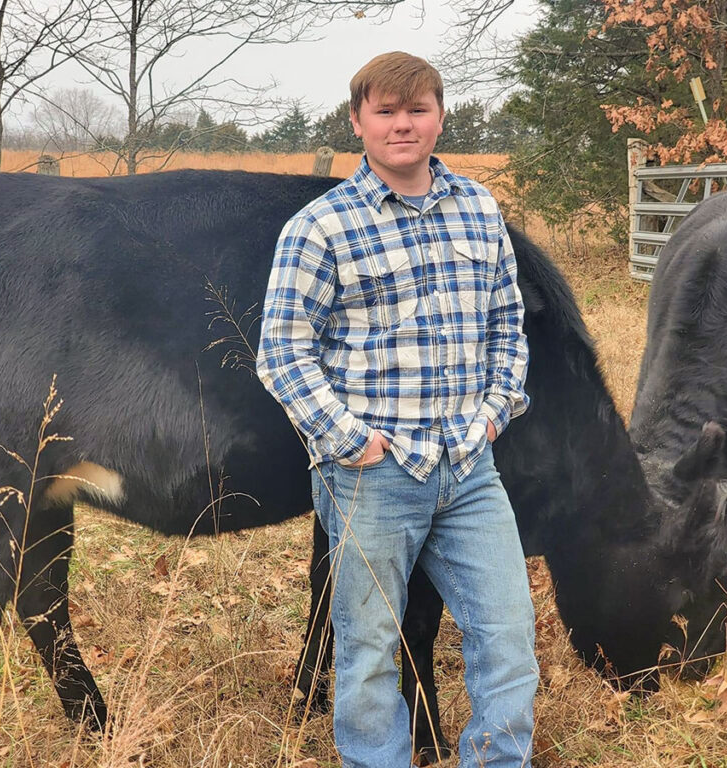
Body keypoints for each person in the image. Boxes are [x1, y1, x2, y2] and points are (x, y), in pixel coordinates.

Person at [257, 51, 538, 768]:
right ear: (358, 122)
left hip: (469, 468)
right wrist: (351, 442)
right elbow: (283, 353)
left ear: (441, 115)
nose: (402, 124)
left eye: (417, 109)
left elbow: (508, 322)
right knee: (370, 650)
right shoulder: (321, 228)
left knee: (507, 634)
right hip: (372, 480)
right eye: (385, 111)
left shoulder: (478, 209)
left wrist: (495, 412)